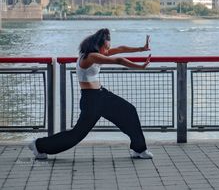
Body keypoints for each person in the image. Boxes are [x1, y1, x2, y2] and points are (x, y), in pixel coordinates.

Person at [29, 28, 153, 159]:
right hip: (91, 100)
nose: (107, 51)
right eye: (105, 48)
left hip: (102, 95)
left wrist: (142, 48)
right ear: (97, 45)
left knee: (129, 111)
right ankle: (38, 145)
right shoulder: (91, 57)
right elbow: (119, 60)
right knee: (76, 135)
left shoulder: (98, 53)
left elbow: (121, 49)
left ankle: (139, 149)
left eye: (108, 48)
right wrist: (141, 66)